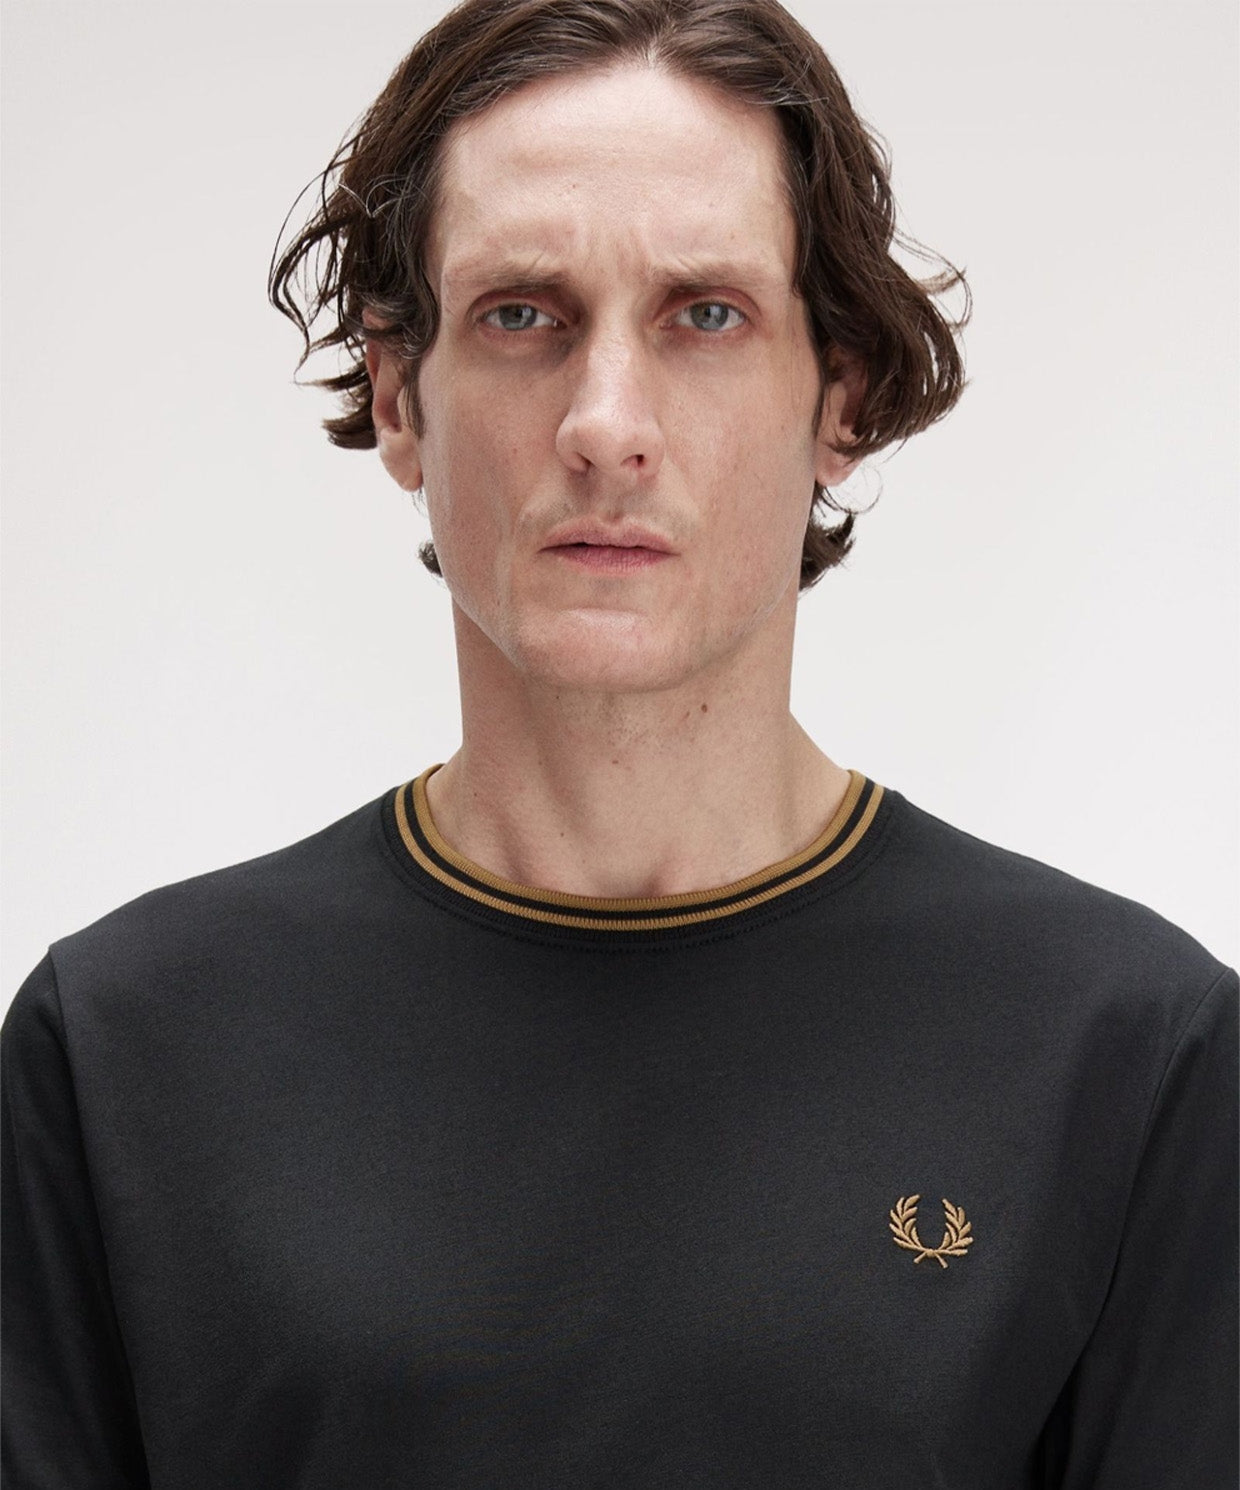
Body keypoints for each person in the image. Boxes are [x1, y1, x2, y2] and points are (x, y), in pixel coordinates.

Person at [3, 0, 1235, 1484]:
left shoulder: (1131, 1059)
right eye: (523, 314)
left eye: (704, 315)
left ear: (840, 395)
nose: (606, 423)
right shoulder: (122, 1055)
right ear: (398, 398)